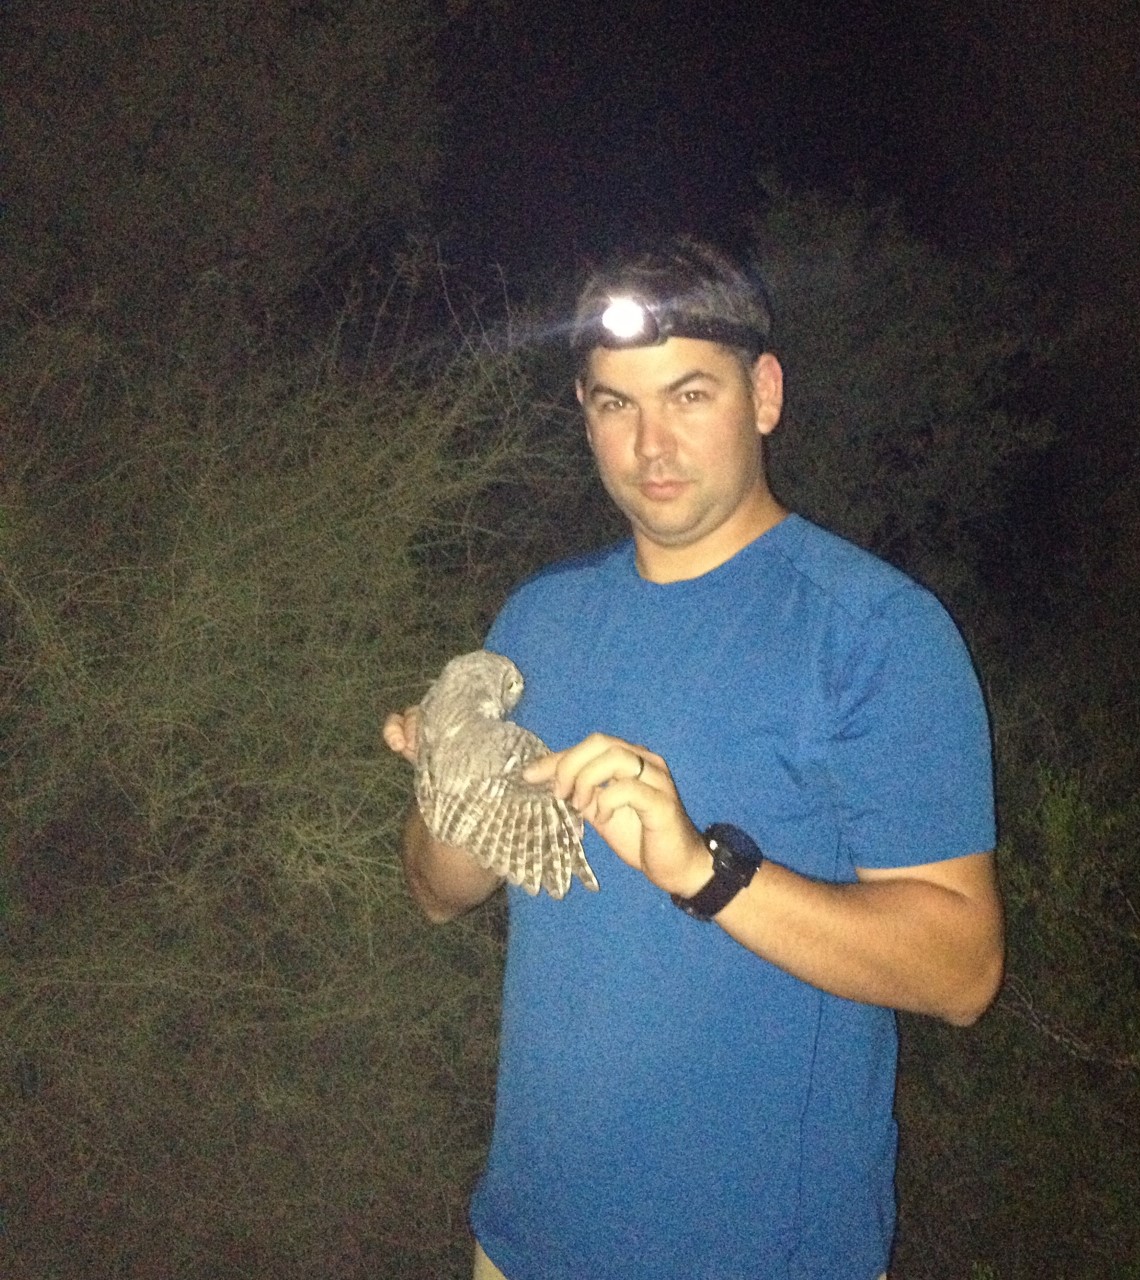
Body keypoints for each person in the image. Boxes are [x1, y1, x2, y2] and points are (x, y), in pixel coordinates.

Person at [382, 237, 1004, 1280]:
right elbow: (437, 894)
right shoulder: (538, 620)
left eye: (689, 394)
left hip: (759, 1253)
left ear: (764, 394)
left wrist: (703, 871)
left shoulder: (875, 631)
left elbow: (962, 971)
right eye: (615, 404)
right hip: (525, 1239)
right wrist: (451, 782)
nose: (651, 443)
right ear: (582, 413)